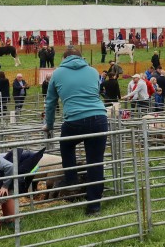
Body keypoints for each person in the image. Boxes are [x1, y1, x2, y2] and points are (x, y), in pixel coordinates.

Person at [43, 45, 109, 216]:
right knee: (95, 161)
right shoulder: (93, 71)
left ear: (64, 58)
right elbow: (96, 90)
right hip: (99, 118)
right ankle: (93, 206)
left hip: (74, 120)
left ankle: (71, 180)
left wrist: (49, 125)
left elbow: (51, 103)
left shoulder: (57, 73)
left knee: (66, 145)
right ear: (82, 57)